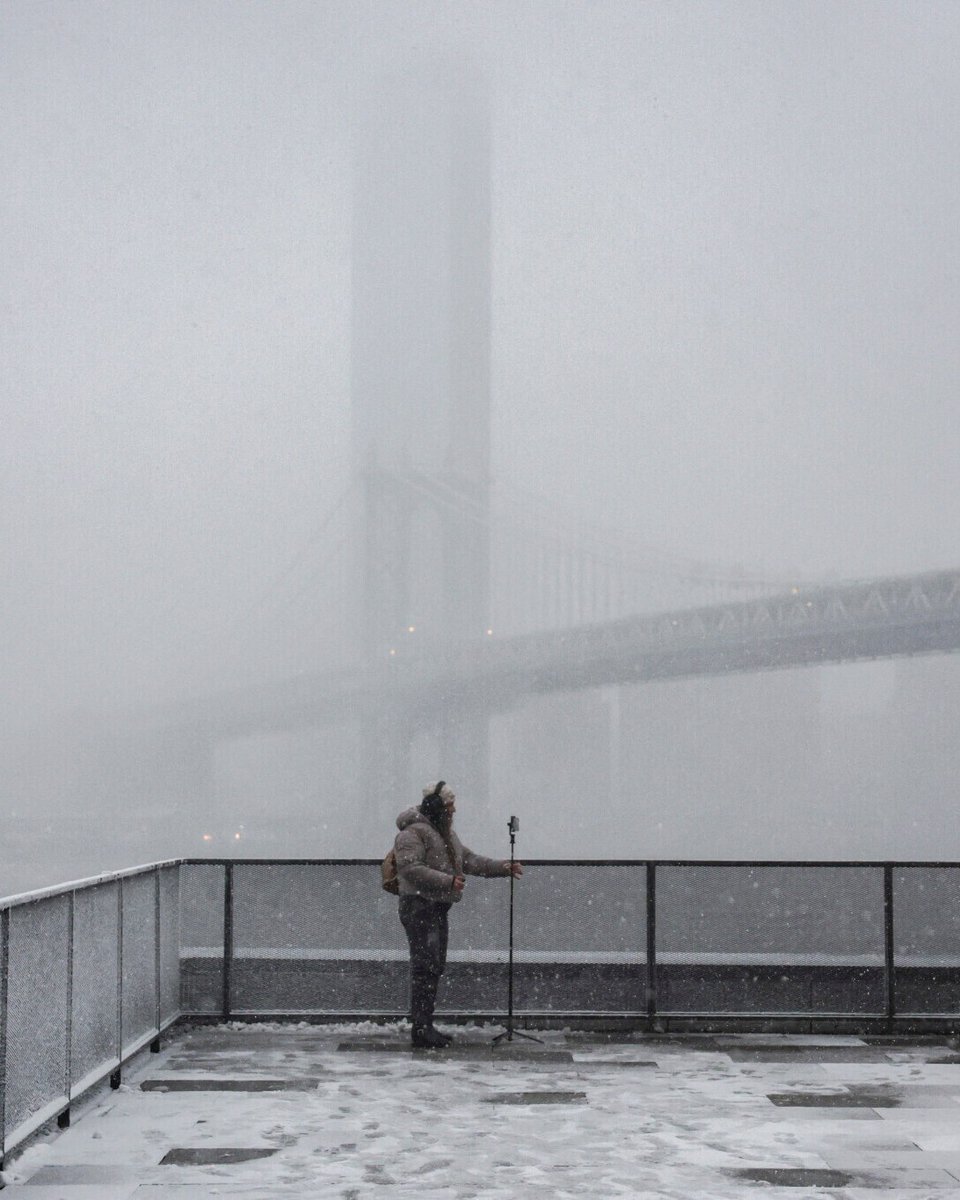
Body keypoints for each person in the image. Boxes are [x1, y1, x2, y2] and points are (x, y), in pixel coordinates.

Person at [393, 780, 523, 1049]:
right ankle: (421, 1028)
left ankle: (424, 1025)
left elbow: (468, 860)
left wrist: (502, 868)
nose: (453, 811)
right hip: (418, 907)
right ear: (438, 807)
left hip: (436, 907)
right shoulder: (412, 833)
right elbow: (409, 869)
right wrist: (447, 881)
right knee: (424, 967)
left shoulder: (444, 834)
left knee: (432, 966)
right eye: (450, 807)